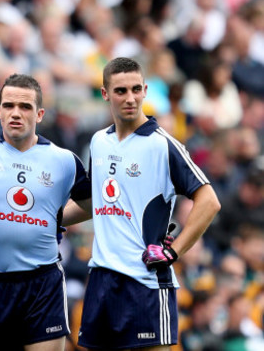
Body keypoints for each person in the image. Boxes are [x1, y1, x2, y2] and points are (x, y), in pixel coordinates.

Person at [64, 57, 221, 350]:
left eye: (136, 89)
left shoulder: (163, 144)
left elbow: (209, 201)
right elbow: (94, 203)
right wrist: (50, 220)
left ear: (146, 90)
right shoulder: (99, 141)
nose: (130, 98)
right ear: (105, 93)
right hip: (101, 279)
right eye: (121, 90)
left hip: (145, 285)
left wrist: (174, 251)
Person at [0, 73, 91, 351]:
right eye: (8, 106)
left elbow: (91, 203)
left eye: (25, 107)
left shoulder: (63, 160)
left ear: (40, 114)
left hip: (43, 284)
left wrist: (56, 219)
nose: (16, 113)